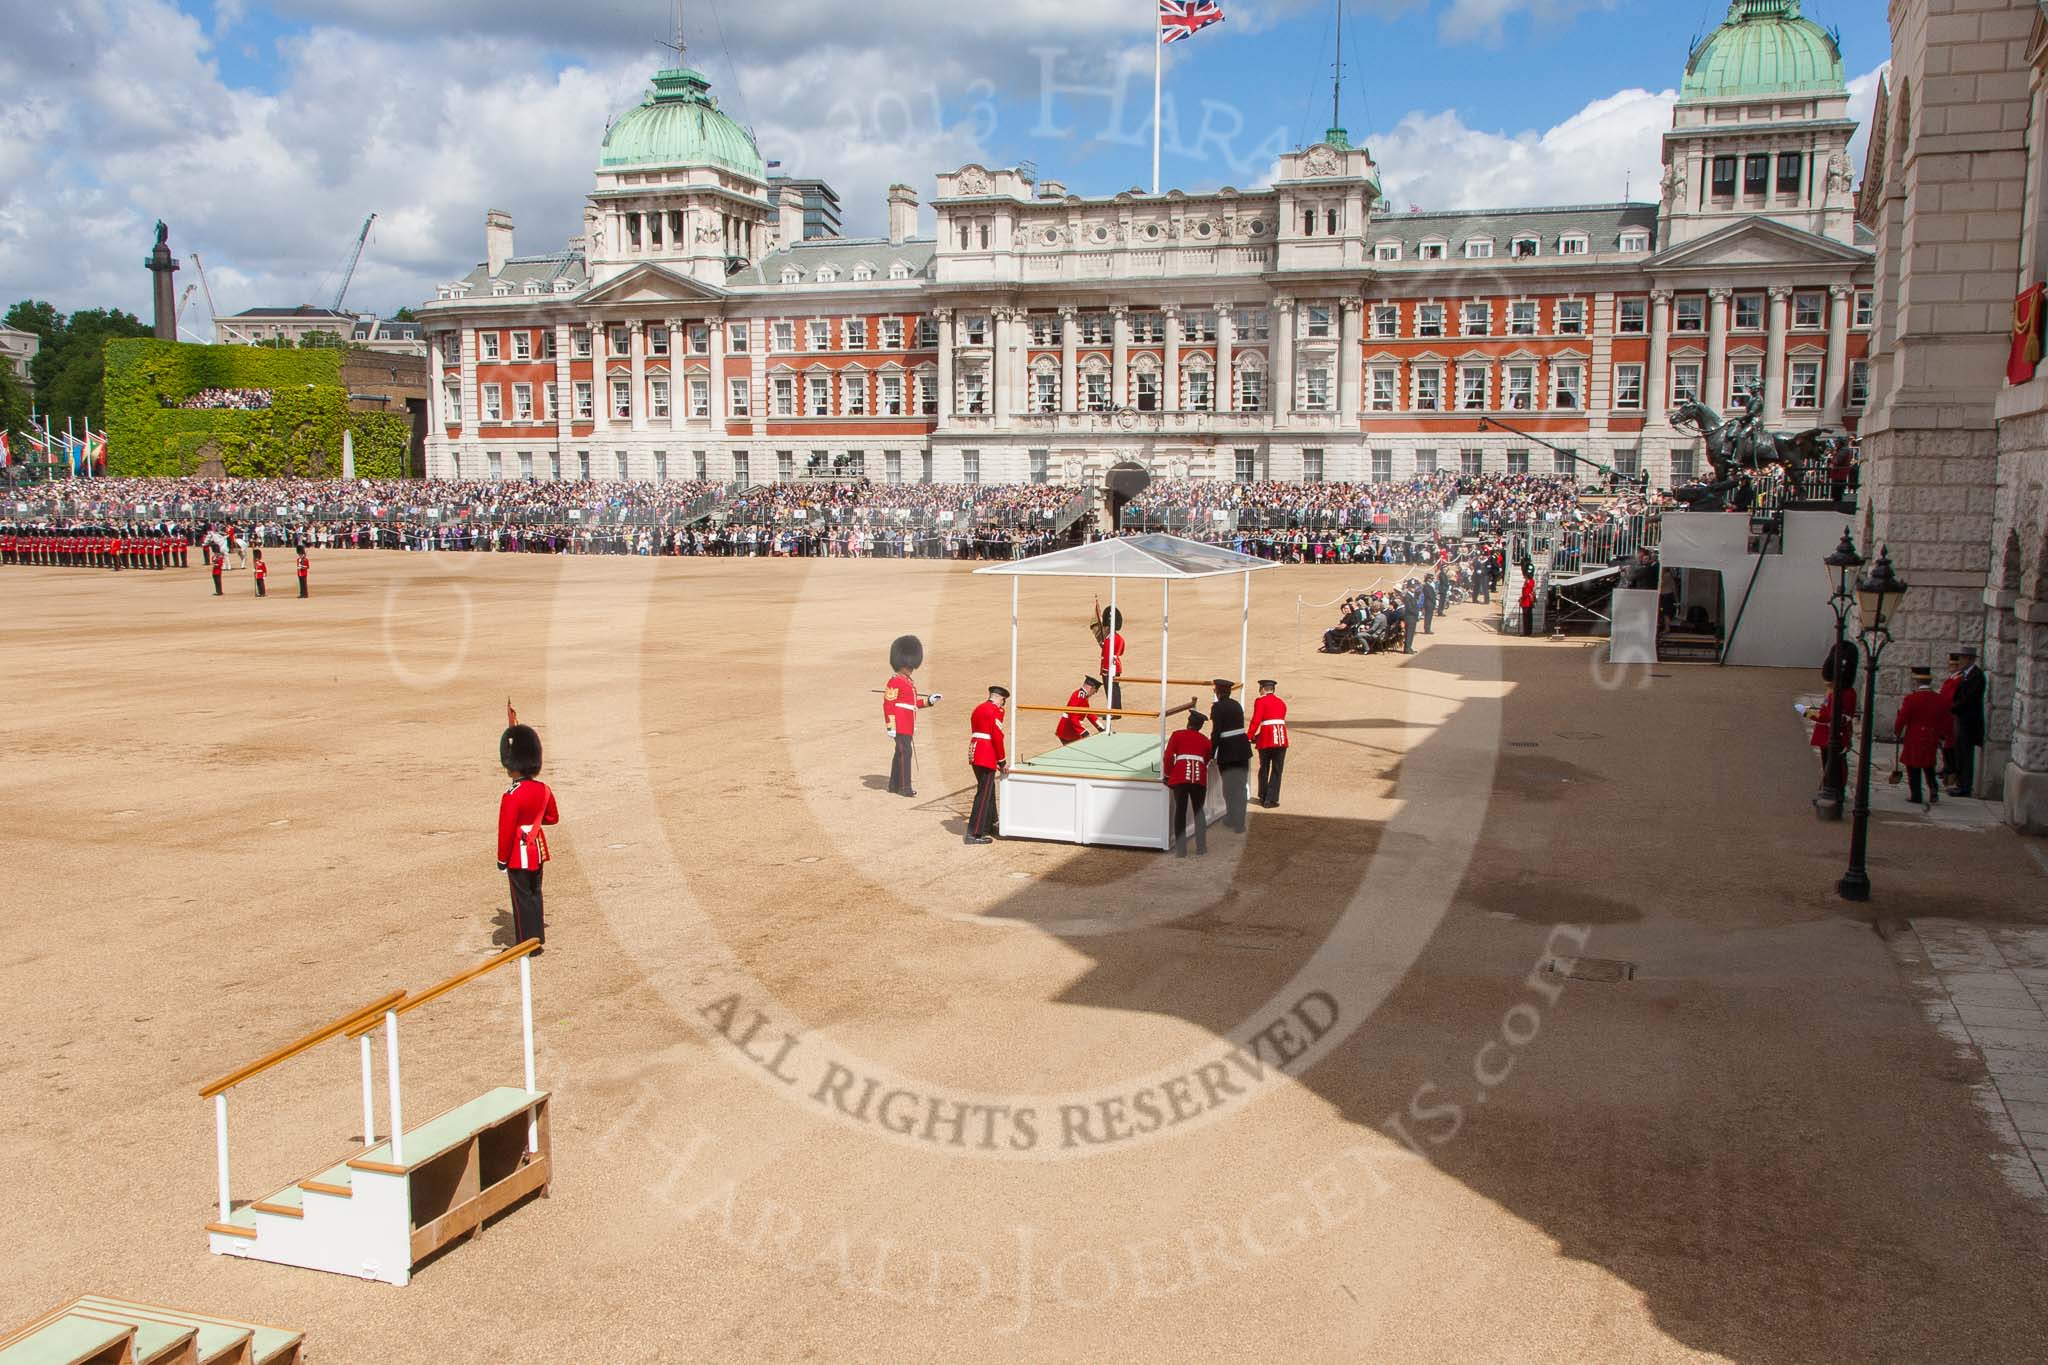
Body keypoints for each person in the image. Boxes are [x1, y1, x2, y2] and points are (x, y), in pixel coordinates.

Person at [497, 711, 561, 952]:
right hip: (538, 849)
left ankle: (526, 945)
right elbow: (552, 818)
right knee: (535, 895)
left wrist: (501, 859)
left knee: (521, 899)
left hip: (518, 851)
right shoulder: (543, 789)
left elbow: (505, 831)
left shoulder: (512, 795)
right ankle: (537, 940)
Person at [883, 635, 938, 798]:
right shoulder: (895, 682)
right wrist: (891, 726)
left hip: (907, 722)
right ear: (902, 663)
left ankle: (894, 784)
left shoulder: (907, 681)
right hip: (900, 723)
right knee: (905, 752)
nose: (911, 668)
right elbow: (889, 704)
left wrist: (929, 701)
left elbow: (912, 704)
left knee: (900, 752)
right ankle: (905, 787)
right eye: (909, 665)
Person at [1895, 666, 1953, 810]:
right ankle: (1933, 788)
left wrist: (1897, 731)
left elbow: (1902, 718)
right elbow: (1946, 719)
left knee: (1913, 766)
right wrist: (1944, 734)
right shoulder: (1939, 699)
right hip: (1931, 735)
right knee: (1929, 764)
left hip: (1914, 735)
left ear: (1915, 682)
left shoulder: (1911, 699)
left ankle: (1916, 794)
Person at [1163, 711, 1213, 857]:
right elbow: (1207, 758)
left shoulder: (1177, 735)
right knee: (1199, 811)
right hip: (1199, 778)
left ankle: (1181, 849)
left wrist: (1168, 775)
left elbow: (1168, 756)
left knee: (1180, 812)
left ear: (1188, 723)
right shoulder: (1205, 740)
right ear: (1200, 726)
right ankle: (1201, 847)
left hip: (1180, 777)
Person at [965, 685, 1009, 845]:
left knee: (988, 791)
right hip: (986, 753)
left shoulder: (979, 708)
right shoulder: (995, 711)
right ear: (1000, 698)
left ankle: (990, 823)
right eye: (1003, 701)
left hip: (975, 749)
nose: (1002, 705)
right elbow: (997, 736)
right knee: (984, 794)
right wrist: (1002, 760)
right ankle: (975, 831)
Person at [1209, 679, 1252, 832]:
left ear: (1217, 691)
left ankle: (1231, 817)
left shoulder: (1217, 707)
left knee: (1228, 787)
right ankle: (1240, 822)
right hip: (1242, 748)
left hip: (1227, 750)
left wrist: (1211, 753)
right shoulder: (1236, 705)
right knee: (1240, 787)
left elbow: (1216, 732)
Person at [1948, 644, 1987, 797]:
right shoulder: (1964, 675)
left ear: (1970, 659)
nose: (1960, 661)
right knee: (1960, 752)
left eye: (1962, 658)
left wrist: (1952, 708)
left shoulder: (1976, 676)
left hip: (1969, 721)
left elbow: (1969, 698)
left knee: (1966, 753)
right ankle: (1960, 782)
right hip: (1961, 719)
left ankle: (1965, 786)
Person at [1251, 679, 1289, 808]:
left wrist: (1249, 736)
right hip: (1281, 738)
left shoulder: (1260, 701)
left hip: (1266, 739)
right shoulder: (1281, 703)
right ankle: (1271, 799)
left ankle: (1263, 795)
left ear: (1262, 689)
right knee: (1277, 770)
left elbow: (1256, 720)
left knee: (1264, 768)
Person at [1055, 676, 1105, 745]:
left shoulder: (1083, 696)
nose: (1094, 693)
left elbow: (1089, 714)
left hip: (1071, 731)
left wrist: (1100, 727)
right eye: (1095, 690)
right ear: (1092, 688)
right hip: (1067, 731)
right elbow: (1073, 715)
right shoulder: (1079, 696)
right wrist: (1083, 732)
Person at [1095, 606, 1127, 712]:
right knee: (1115, 690)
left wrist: (1104, 670)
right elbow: (1121, 652)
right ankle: (1117, 710)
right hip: (1117, 666)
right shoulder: (1119, 638)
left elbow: (1107, 657)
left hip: (1109, 668)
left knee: (1110, 691)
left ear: (1108, 627)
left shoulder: (1109, 640)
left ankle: (1113, 711)